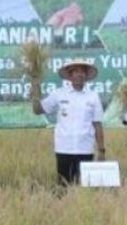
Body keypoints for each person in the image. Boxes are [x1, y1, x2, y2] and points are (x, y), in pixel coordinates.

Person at [33, 58, 106, 186]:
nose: (79, 74)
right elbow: (38, 110)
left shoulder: (93, 96)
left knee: (85, 187)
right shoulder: (59, 94)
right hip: (63, 148)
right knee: (63, 186)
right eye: (75, 71)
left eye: (82, 71)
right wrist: (35, 91)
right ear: (70, 75)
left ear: (86, 75)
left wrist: (101, 150)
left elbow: (97, 124)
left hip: (85, 149)